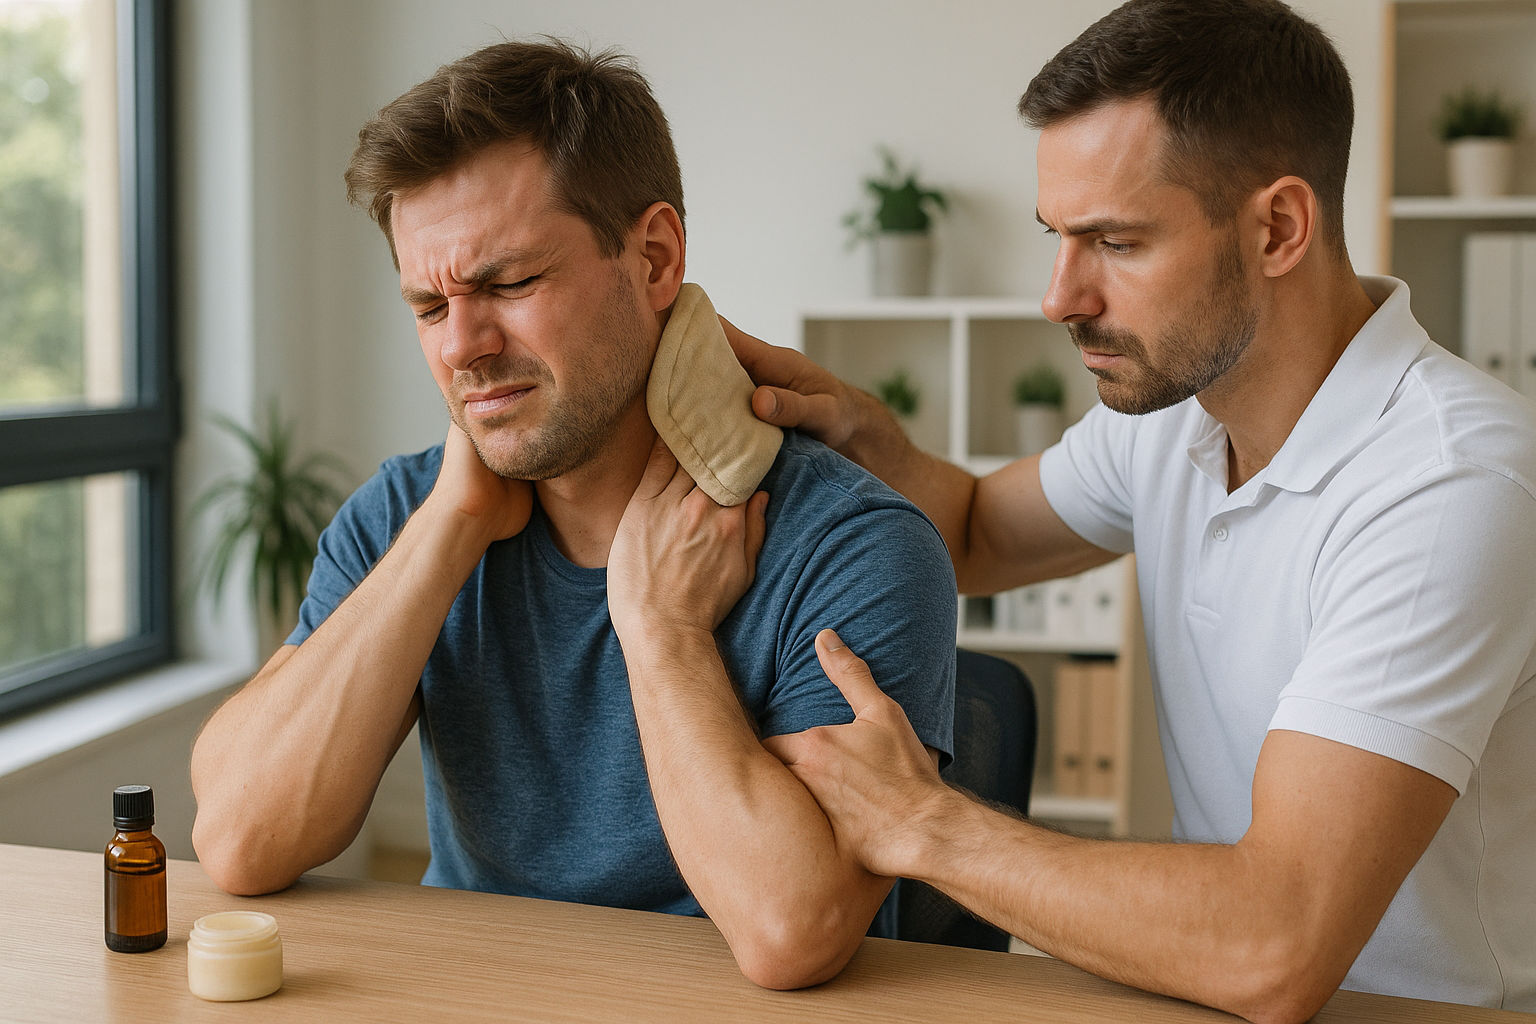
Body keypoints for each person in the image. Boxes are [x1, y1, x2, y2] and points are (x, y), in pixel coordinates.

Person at [644, 1, 1536, 1020]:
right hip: (1202, 992)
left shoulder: (1450, 483)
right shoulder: (1173, 413)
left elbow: (1276, 942)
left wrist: (923, 822)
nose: (1060, 296)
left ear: (1279, 226)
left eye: (1114, 241)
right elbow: (978, 532)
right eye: (1057, 238)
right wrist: (866, 433)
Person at [188, 40, 957, 991]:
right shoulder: (404, 515)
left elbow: (791, 931)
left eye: (508, 284)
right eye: (429, 304)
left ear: (655, 257)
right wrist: (448, 529)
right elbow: (238, 839)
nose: (463, 346)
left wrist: (664, 631)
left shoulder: (853, 545)